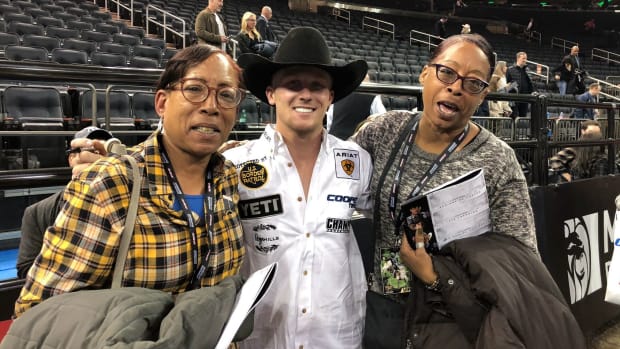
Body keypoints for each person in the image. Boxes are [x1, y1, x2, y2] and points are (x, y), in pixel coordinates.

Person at [351, 33, 585, 348]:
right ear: (425, 73)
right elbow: (329, 167)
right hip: (385, 307)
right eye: (446, 72)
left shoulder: (498, 159)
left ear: (483, 95)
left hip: (448, 320)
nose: (456, 87)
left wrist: (435, 276)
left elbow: (519, 267)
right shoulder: (384, 131)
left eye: (473, 83)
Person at [14, 44, 246, 317]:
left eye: (226, 95)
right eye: (194, 89)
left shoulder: (228, 179)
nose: (211, 106)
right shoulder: (109, 183)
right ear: (162, 102)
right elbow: (38, 313)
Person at [225, 26, 372, 348]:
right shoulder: (235, 165)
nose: (306, 94)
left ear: (330, 97)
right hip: (260, 335)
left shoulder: (357, 160)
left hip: (338, 333)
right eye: (293, 84)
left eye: (317, 86)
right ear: (271, 94)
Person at [16, 126, 114, 279]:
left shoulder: (128, 206)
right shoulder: (36, 213)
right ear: (71, 159)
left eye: (101, 152)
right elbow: (25, 271)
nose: (95, 158)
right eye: (86, 152)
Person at [326, 74, 387, 140]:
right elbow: (383, 120)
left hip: (333, 141)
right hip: (356, 144)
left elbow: (329, 122)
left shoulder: (339, 95)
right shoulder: (373, 96)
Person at [506, 51, 535, 118]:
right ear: (518, 58)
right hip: (513, 98)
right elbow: (506, 86)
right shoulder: (510, 70)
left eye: (526, 58)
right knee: (513, 117)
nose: (525, 60)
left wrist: (532, 91)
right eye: (523, 58)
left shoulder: (527, 70)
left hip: (525, 97)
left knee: (523, 116)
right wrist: (513, 86)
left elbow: (531, 83)